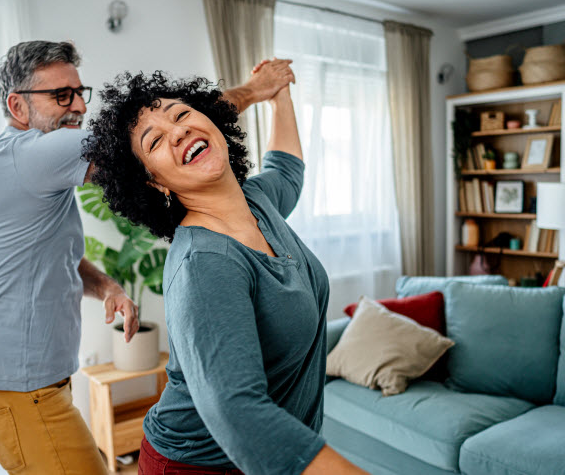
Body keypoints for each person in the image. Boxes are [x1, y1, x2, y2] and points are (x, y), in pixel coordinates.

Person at [0, 40, 295, 475]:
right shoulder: (33, 154)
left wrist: (107, 288)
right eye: (62, 95)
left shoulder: (24, 164)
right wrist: (256, 89)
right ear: (17, 106)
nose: (79, 106)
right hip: (17, 388)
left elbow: (48, 259)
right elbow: (161, 136)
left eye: (80, 93)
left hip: (29, 384)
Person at [82, 66, 369, 475]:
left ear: (213, 122)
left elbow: (287, 169)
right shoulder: (203, 264)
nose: (177, 131)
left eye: (181, 115)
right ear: (154, 183)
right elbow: (239, 413)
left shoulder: (258, 201)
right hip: (198, 466)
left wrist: (279, 94)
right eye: (155, 141)